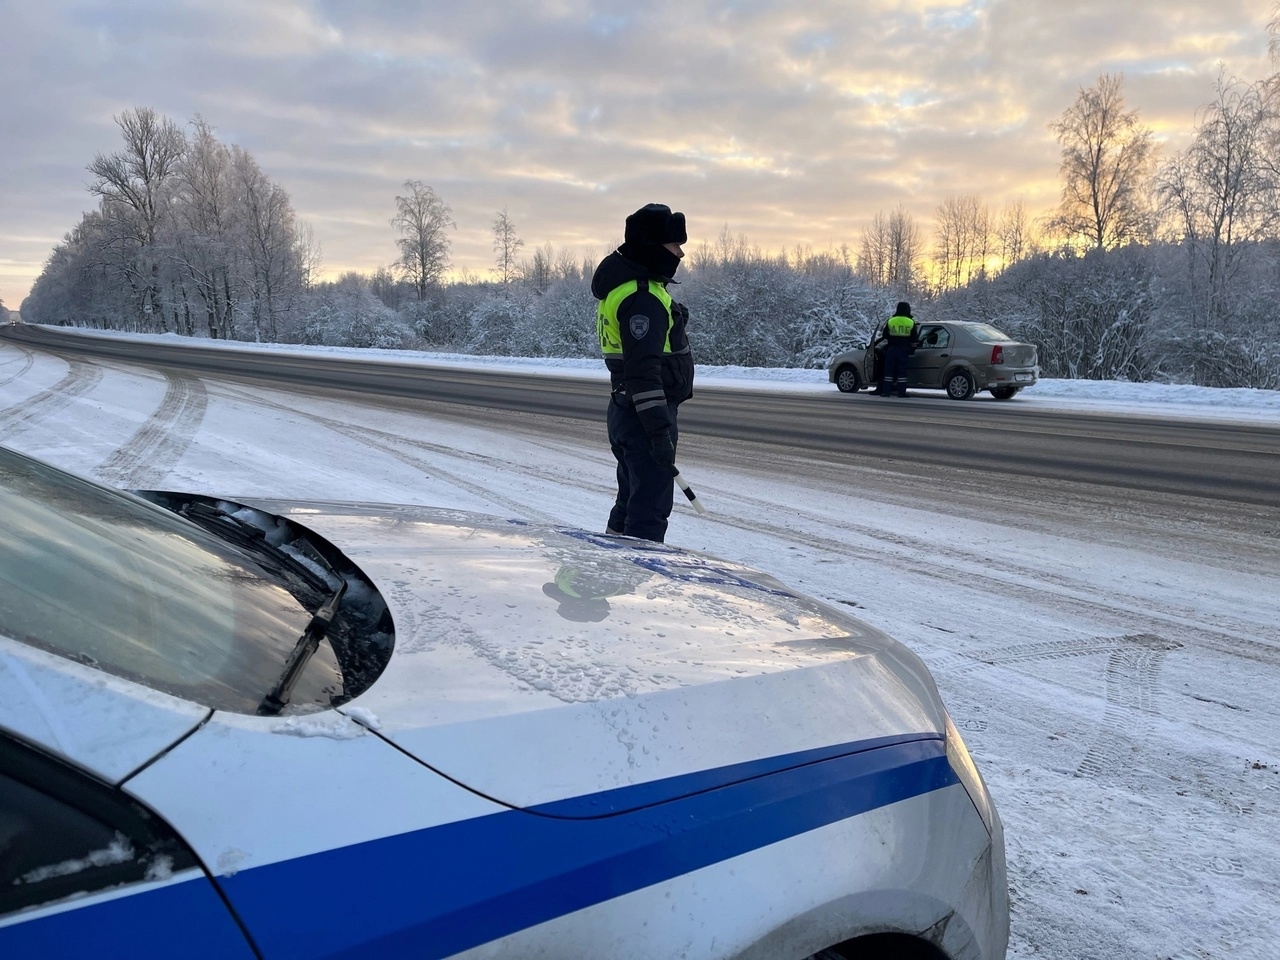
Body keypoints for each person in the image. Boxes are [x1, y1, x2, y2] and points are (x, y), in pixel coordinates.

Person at [591, 203, 694, 543]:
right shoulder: (642, 298)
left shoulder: (630, 290)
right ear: (653, 247)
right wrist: (659, 433)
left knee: (630, 499)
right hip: (643, 415)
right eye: (674, 245)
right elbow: (643, 371)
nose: (680, 253)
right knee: (649, 510)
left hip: (626, 409)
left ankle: (606, 566)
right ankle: (635, 570)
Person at [874, 301, 919, 398]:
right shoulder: (910, 322)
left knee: (888, 371)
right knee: (902, 372)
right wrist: (912, 349)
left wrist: (892, 339)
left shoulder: (891, 321)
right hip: (904, 350)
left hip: (891, 349)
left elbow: (885, 335)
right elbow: (914, 339)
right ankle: (901, 393)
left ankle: (886, 392)